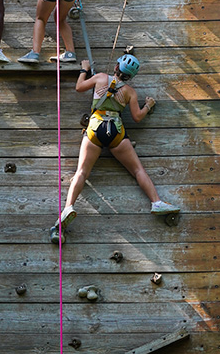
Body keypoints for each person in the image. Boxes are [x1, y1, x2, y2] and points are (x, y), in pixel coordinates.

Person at [50, 53, 179, 243]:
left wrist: (84, 69)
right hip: (116, 130)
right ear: (130, 76)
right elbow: (137, 117)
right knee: (137, 170)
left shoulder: (101, 77)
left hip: (95, 127)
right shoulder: (130, 92)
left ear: (117, 66)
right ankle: (156, 202)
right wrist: (148, 106)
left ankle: (69, 206)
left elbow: (79, 87)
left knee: (82, 173)